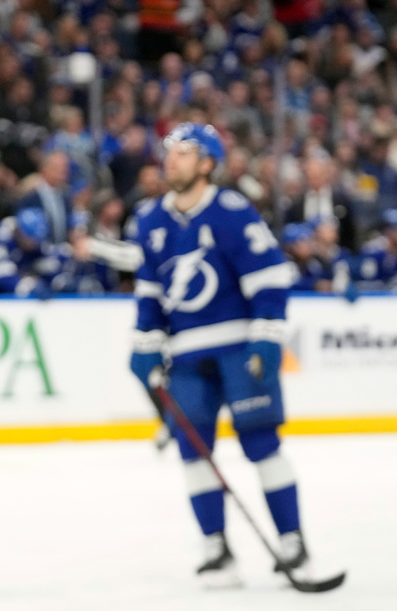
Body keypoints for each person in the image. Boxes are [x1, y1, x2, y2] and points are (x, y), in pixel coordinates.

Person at [127, 123, 316, 587]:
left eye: (184, 152)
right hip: (187, 356)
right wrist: (144, 342)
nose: (171, 160)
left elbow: (270, 277)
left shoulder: (232, 212)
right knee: (194, 453)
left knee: (261, 443)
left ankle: (292, 541)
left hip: (239, 349)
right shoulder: (149, 220)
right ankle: (217, 548)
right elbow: (150, 292)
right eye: (169, 152)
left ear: (207, 163)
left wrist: (268, 337)